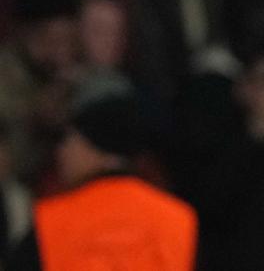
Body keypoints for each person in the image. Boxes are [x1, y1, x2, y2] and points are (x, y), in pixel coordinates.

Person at [9, 76, 198, 270]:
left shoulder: (53, 222)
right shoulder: (179, 219)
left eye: (69, 141)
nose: (62, 152)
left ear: (97, 147)